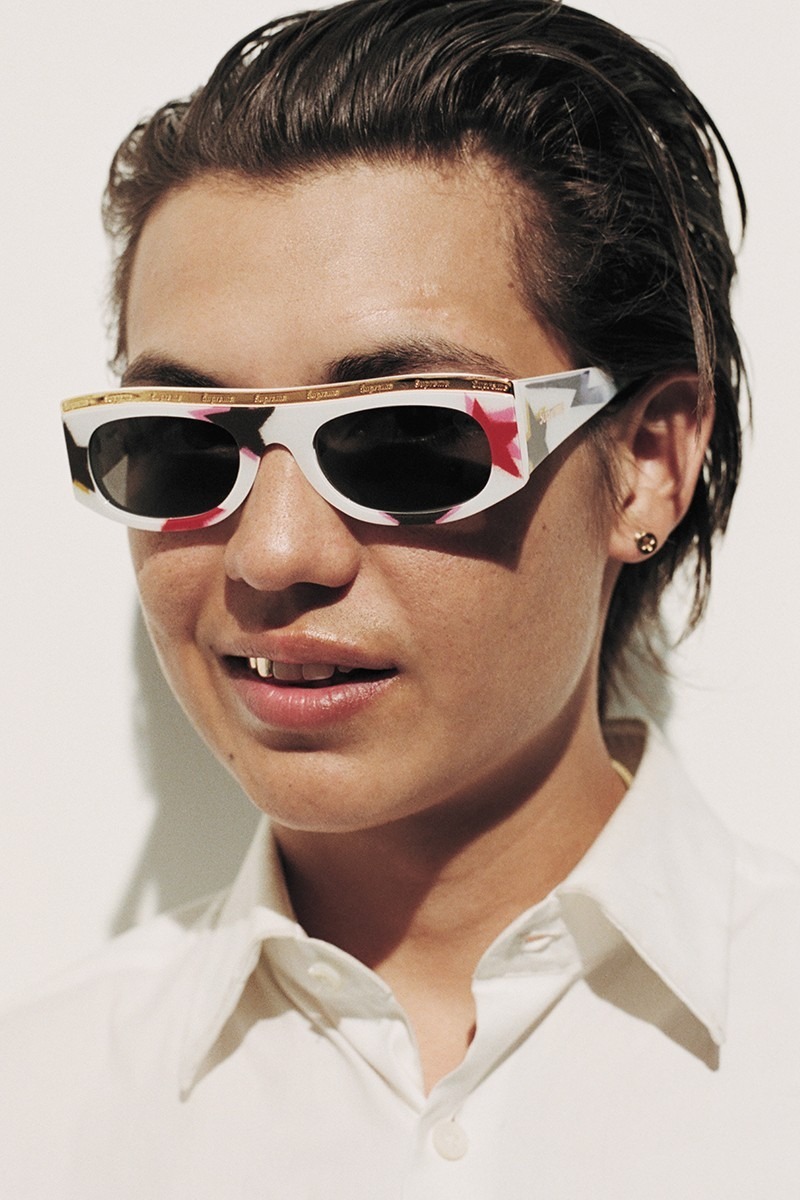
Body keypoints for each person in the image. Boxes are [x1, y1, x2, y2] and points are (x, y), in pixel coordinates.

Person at [3, 1, 799, 1195]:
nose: (273, 554)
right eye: (178, 448)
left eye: (409, 441)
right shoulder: (38, 1106)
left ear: (646, 463)